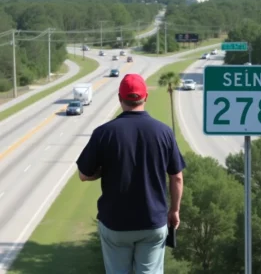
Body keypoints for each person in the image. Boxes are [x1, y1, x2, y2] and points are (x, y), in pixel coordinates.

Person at [76, 73, 185, 274]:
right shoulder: (164, 132)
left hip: (115, 224)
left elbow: (84, 174)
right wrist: (174, 210)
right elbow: (176, 176)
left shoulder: (104, 133)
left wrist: (103, 171)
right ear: (146, 97)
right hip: (152, 221)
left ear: (119, 98)